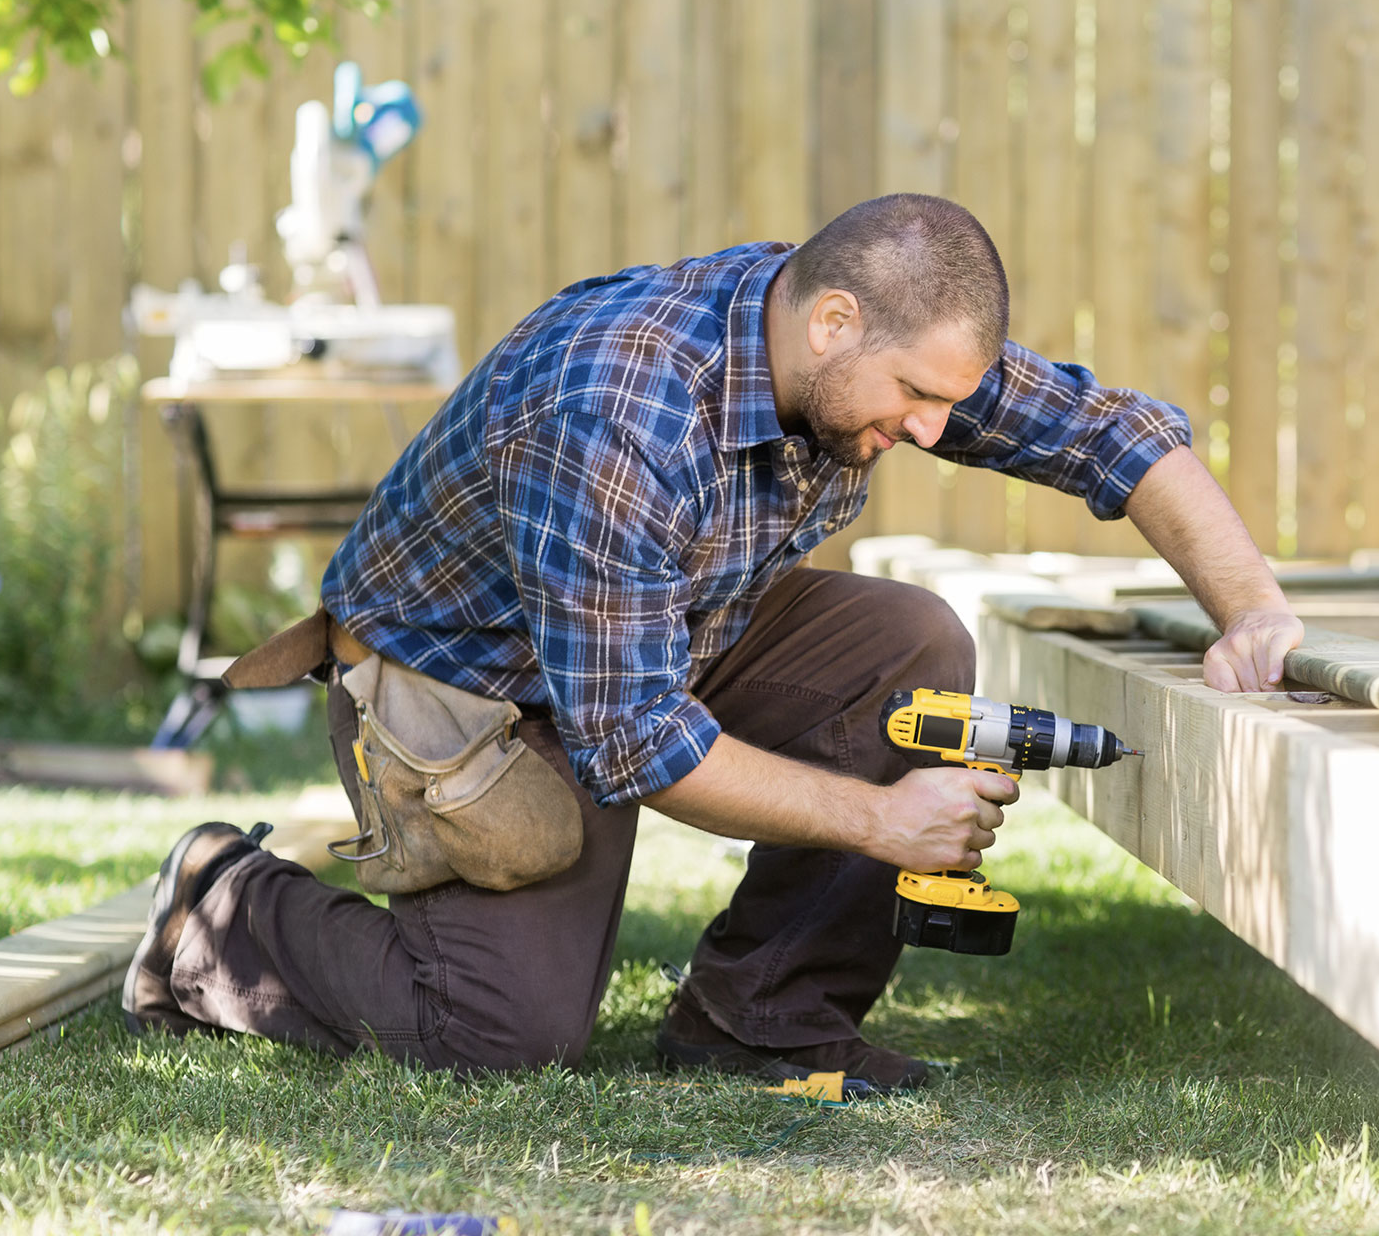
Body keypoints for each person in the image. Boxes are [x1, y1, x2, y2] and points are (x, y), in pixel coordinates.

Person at [122, 193, 1304, 1094]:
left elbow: (1112, 435)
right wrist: (882, 821)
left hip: (663, 631)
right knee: (499, 1031)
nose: (935, 427)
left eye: (951, 400)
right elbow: (635, 739)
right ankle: (219, 905)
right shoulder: (620, 409)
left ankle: (760, 1016)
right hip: (465, 683)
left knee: (911, 644)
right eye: (916, 396)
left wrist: (1252, 608)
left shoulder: (867, 342)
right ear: (833, 322)